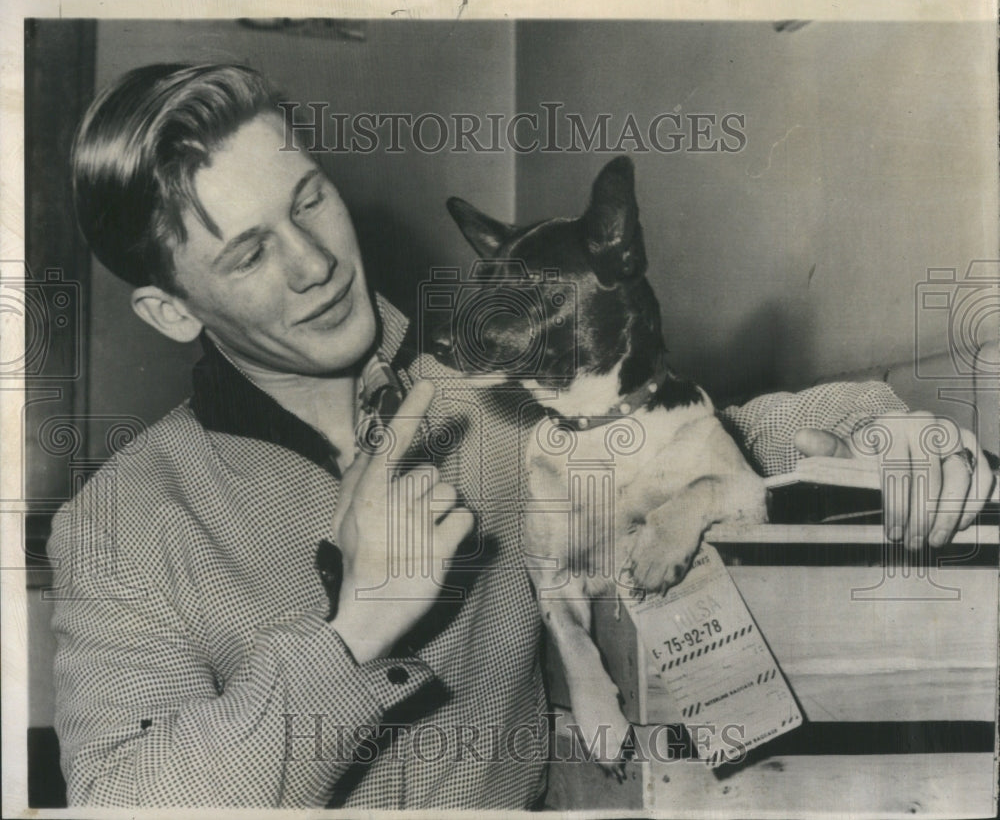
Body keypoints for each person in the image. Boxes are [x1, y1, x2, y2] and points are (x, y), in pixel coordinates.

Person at [48, 63, 993, 809]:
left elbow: (719, 437)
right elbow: (126, 801)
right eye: (249, 252)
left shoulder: (498, 396)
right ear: (171, 312)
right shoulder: (123, 523)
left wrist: (890, 429)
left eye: (308, 198)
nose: (317, 263)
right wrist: (356, 630)